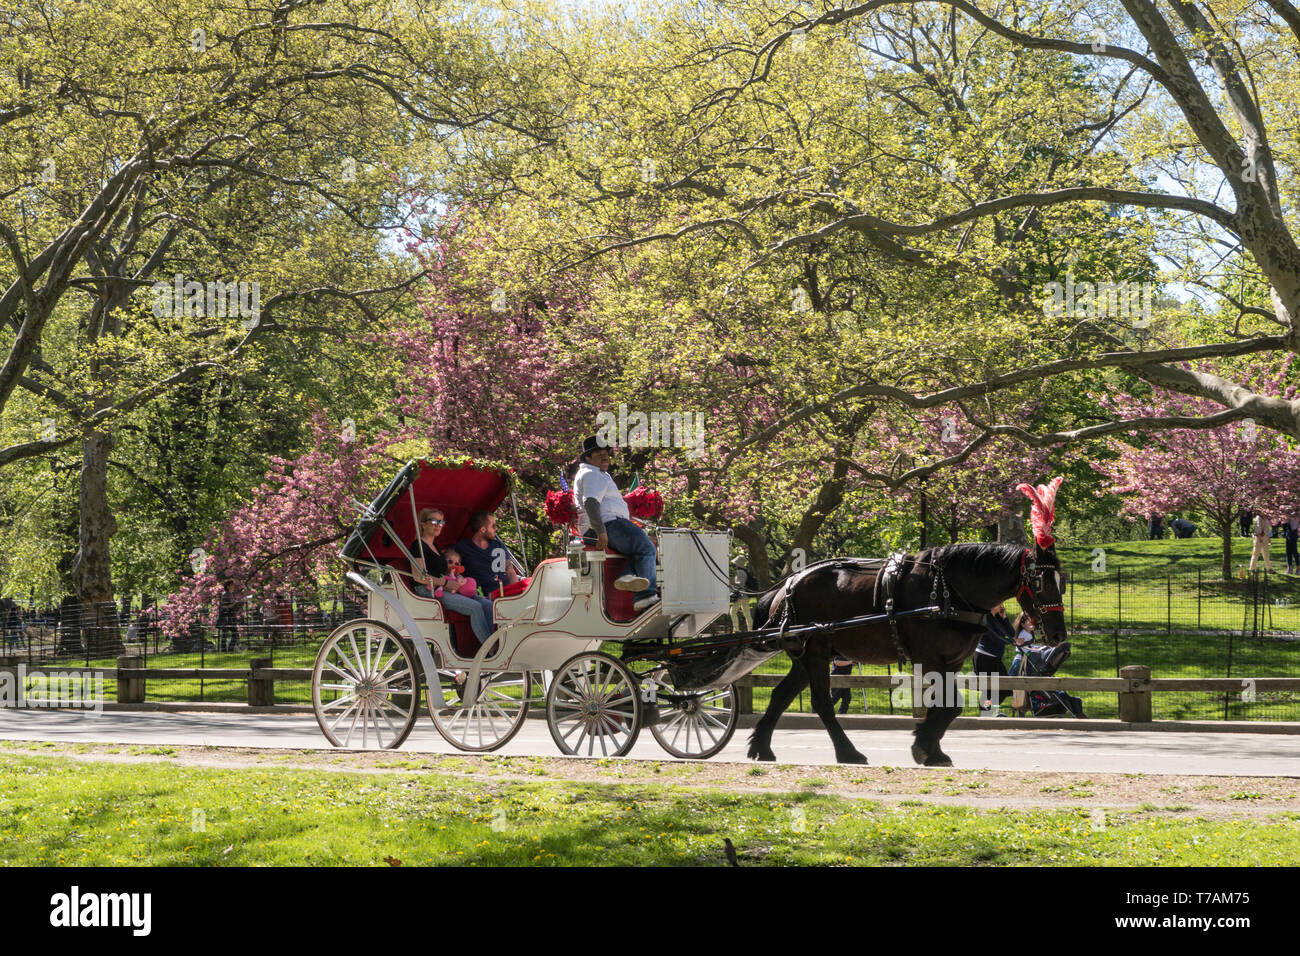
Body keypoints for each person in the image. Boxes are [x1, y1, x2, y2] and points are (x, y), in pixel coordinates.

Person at [573, 435, 660, 612]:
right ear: (588, 458)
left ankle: (627, 575)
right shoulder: (592, 474)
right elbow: (590, 502)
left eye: (606, 453)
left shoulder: (593, 474)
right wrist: (601, 531)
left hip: (607, 524)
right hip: (610, 524)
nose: (605, 457)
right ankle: (645, 597)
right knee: (648, 549)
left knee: (639, 550)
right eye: (599, 454)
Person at [411, 507, 496, 645]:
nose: (438, 525)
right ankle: (490, 649)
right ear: (423, 524)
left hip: (442, 588)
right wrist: (445, 583)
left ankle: (497, 644)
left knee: (488, 605)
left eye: (441, 522)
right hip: (427, 590)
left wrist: (457, 578)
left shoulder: (435, 547)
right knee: (475, 607)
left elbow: (444, 573)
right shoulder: (418, 545)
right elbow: (419, 577)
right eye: (433, 521)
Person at [455, 511, 522, 598]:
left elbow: (510, 571)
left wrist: (515, 594)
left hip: (503, 593)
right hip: (482, 595)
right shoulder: (462, 547)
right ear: (483, 529)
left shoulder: (498, 545)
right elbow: (450, 565)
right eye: (493, 526)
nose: (496, 529)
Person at [971, 603, 1017, 710]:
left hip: (993, 658)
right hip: (985, 656)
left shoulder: (997, 618)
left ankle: (985, 710)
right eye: (998, 602)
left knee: (1001, 689)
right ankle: (985, 711)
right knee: (998, 689)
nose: (1001, 603)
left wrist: (1004, 617)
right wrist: (1012, 642)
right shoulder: (985, 618)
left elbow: (1011, 632)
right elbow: (995, 637)